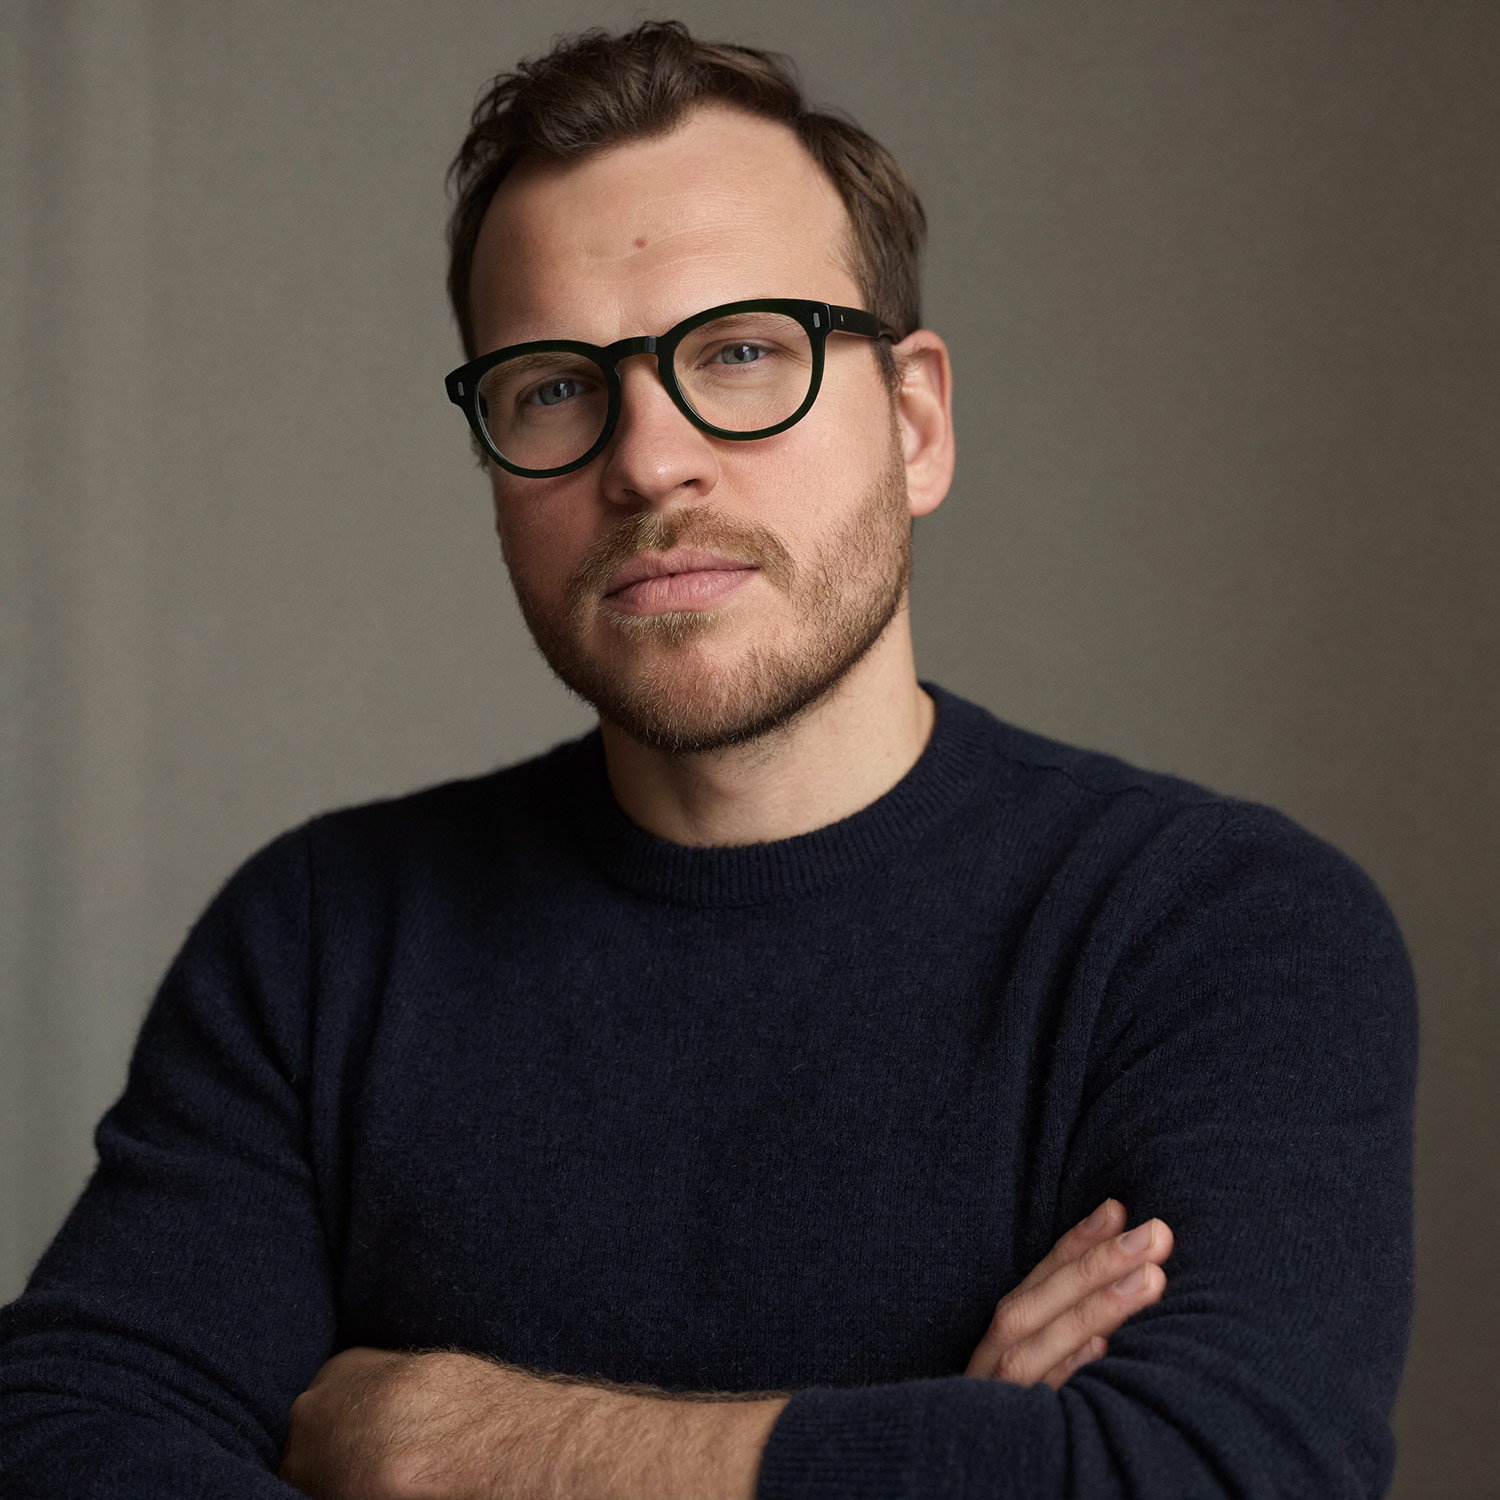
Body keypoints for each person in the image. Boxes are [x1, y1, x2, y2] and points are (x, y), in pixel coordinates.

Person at [0, 21, 1416, 1500]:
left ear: (915, 422)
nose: (650, 458)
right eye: (553, 386)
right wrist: (954, 1450)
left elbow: (1220, 1475)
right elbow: (64, 1435)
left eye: (743, 354)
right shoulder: (320, 940)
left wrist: (465, 1450)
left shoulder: (1220, 933)